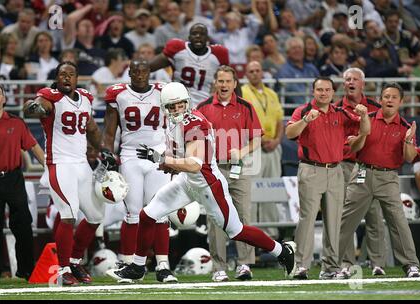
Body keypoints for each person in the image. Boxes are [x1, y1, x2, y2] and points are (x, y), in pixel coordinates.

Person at [105, 81, 296, 283]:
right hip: (188, 182)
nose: (177, 109)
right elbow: (180, 158)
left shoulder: (194, 123)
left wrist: (163, 160)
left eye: (180, 104)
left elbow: (195, 164)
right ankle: (137, 266)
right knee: (147, 215)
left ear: (187, 102)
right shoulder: (172, 122)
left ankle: (282, 251)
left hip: (208, 185)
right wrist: (168, 163)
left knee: (236, 230)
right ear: (165, 107)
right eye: (172, 106)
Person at [23, 61, 117, 286]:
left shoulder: (85, 98)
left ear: (77, 79)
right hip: (59, 165)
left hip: (82, 165)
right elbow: (35, 107)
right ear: (57, 78)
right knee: (68, 215)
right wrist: (33, 107)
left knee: (95, 216)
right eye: (62, 74)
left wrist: (103, 150)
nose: (66, 77)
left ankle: (74, 261)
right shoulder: (50, 96)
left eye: (71, 74)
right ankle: (62, 269)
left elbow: (92, 128)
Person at [285, 76, 370, 280]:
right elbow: (289, 133)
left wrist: (365, 115)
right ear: (313, 92)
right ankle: (301, 266)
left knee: (334, 220)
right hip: (311, 169)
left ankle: (330, 267)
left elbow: (365, 131)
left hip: (335, 170)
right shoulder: (303, 111)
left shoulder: (340, 113)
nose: (323, 93)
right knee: (307, 218)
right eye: (319, 90)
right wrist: (306, 120)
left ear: (333, 93)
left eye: (327, 90)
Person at [337, 82, 420, 278]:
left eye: (394, 97)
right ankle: (342, 265)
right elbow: (355, 148)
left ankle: (411, 264)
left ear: (401, 102)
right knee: (347, 220)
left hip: (388, 177)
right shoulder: (369, 118)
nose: (389, 100)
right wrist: (359, 135)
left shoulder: (406, 127)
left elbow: (409, 157)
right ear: (381, 99)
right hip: (362, 173)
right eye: (386, 96)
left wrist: (409, 140)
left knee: (398, 221)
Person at [103, 59, 177, 283]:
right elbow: (109, 130)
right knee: (133, 212)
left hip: (157, 156)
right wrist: (108, 152)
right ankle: (130, 264)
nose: (139, 75)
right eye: (135, 71)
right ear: (129, 73)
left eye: (143, 71)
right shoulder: (118, 94)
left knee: (160, 211)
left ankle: (163, 266)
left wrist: (174, 153)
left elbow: (175, 123)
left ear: (150, 72)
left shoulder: (163, 91)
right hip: (131, 155)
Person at [197, 65, 262, 282]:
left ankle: (244, 265)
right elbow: (194, 139)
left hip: (239, 169)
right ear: (215, 83)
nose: (224, 85)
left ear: (235, 84)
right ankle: (219, 267)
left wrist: (241, 151)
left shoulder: (246, 107)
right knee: (215, 218)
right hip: (213, 169)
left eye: (228, 81)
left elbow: (257, 138)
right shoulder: (203, 108)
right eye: (220, 81)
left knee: (243, 215)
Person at [0, 83, 44, 284]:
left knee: (23, 224)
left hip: (14, 178)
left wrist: (50, 168)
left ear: (4, 99)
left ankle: (26, 269)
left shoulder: (17, 123)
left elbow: (33, 146)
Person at [335, 68, 387, 277]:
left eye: (355, 79)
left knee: (374, 215)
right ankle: (347, 262)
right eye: (347, 79)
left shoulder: (376, 107)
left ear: (363, 84)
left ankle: (377, 262)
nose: (351, 82)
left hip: (368, 165)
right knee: (346, 216)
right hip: (345, 165)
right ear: (343, 84)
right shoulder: (335, 108)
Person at [241, 61, 284, 240]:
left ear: (262, 73)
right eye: (251, 71)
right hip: (253, 148)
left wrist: (276, 140)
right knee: (251, 191)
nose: (255, 74)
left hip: (273, 147)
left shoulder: (271, 93)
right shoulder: (242, 92)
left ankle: (271, 235)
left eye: (258, 70)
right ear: (246, 73)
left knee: (271, 189)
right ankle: (251, 235)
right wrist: (261, 139)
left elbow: (280, 120)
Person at [150, 23, 229, 106]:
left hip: (204, 105)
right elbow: (148, 68)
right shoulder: (178, 50)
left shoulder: (218, 55)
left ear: (207, 38)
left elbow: (232, 81)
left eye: (202, 34)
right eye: (194, 33)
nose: (198, 36)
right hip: (178, 102)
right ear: (189, 37)